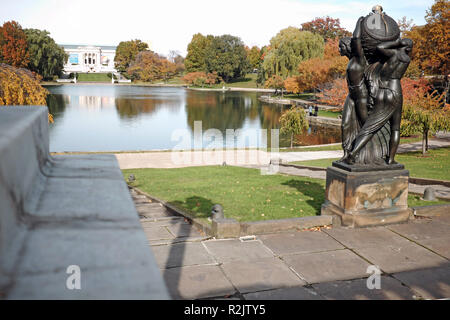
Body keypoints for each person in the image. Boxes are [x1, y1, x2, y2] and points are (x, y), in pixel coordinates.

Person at [345, 38, 413, 164]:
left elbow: (380, 47)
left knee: (370, 127)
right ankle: (391, 159)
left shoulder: (394, 54)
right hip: (395, 90)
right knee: (395, 128)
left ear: (401, 45)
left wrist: (395, 42)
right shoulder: (406, 59)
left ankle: (353, 153)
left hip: (382, 89)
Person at [338, 16, 369, 161]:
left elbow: (356, 39)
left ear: (347, 46)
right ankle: (346, 153)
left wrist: (360, 22)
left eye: (341, 46)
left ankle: (365, 154)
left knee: (366, 126)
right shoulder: (351, 61)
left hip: (361, 95)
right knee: (345, 124)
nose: (339, 50)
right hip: (351, 96)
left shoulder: (359, 58)